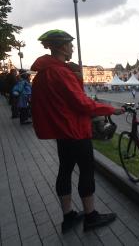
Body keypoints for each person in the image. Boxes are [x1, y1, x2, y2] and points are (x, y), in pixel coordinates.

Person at [31, 30, 124, 233]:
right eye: (70, 45)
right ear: (62, 47)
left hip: (61, 132)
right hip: (75, 130)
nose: (73, 48)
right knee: (86, 171)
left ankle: (68, 216)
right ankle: (90, 216)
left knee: (64, 171)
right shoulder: (61, 72)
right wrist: (111, 109)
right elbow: (82, 104)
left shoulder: (42, 74)